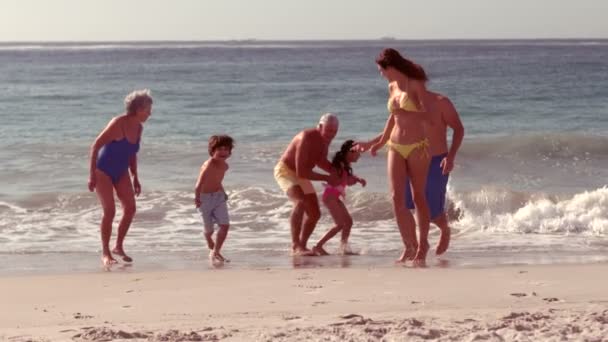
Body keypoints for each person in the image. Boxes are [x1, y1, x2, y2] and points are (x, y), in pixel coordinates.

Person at [366, 48, 432, 264]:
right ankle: (409, 245)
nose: (381, 74)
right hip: (395, 145)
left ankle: (423, 245)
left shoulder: (415, 84)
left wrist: (406, 113)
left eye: (381, 70)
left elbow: (429, 115)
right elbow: (393, 118)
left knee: (418, 197)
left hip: (417, 146)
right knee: (396, 198)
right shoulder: (391, 86)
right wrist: (379, 142)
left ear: (390, 67)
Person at [88, 89, 153, 267]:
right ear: (138, 108)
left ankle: (118, 246)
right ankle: (105, 253)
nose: (150, 113)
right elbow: (95, 146)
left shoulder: (139, 128)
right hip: (103, 171)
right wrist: (91, 174)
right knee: (110, 211)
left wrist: (135, 177)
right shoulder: (118, 123)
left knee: (130, 208)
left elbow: (131, 153)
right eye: (148, 109)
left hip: (122, 171)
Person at [404, 90, 464, 255]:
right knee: (407, 205)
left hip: (437, 160)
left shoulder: (441, 102)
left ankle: (444, 229)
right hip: (412, 160)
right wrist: (374, 143)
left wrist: (451, 157)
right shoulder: (404, 101)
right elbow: (395, 129)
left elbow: (458, 129)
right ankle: (415, 246)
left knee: (432, 210)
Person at [274, 113, 340, 256]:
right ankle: (295, 245)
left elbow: (320, 160)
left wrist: (337, 171)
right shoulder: (306, 137)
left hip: (302, 174)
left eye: (335, 131)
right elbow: (301, 171)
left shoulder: (325, 140)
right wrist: (327, 178)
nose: (331, 134)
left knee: (315, 214)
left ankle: (303, 246)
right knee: (300, 203)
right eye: (329, 130)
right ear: (320, 126)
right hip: (286, 171)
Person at [312, 140, 366, 256]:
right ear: (350, 153)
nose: (359, 155)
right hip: (330, 196)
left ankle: (343, 248)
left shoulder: (345, 165)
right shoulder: (339, 165)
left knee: (348, 222)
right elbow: (340, 180)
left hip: (334, 196)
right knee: (340, 224)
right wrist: (353, 178)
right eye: (357, 153)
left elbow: (347, 182)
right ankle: (318, 246)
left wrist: (357, 179)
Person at [194, 135, 234, 264]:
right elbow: (198, 184)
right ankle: (208, 238)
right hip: (204, 198)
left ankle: (216, 251)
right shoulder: (208, 165)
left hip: (218, 197)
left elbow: (217, 180)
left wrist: (223, 192)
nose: (223, 152)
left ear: (230, 151)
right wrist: (197, 198)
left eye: (226, 149)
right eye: (220, 149)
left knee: (225, 225)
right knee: (209, 230)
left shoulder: (225, 166)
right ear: (212, 150)